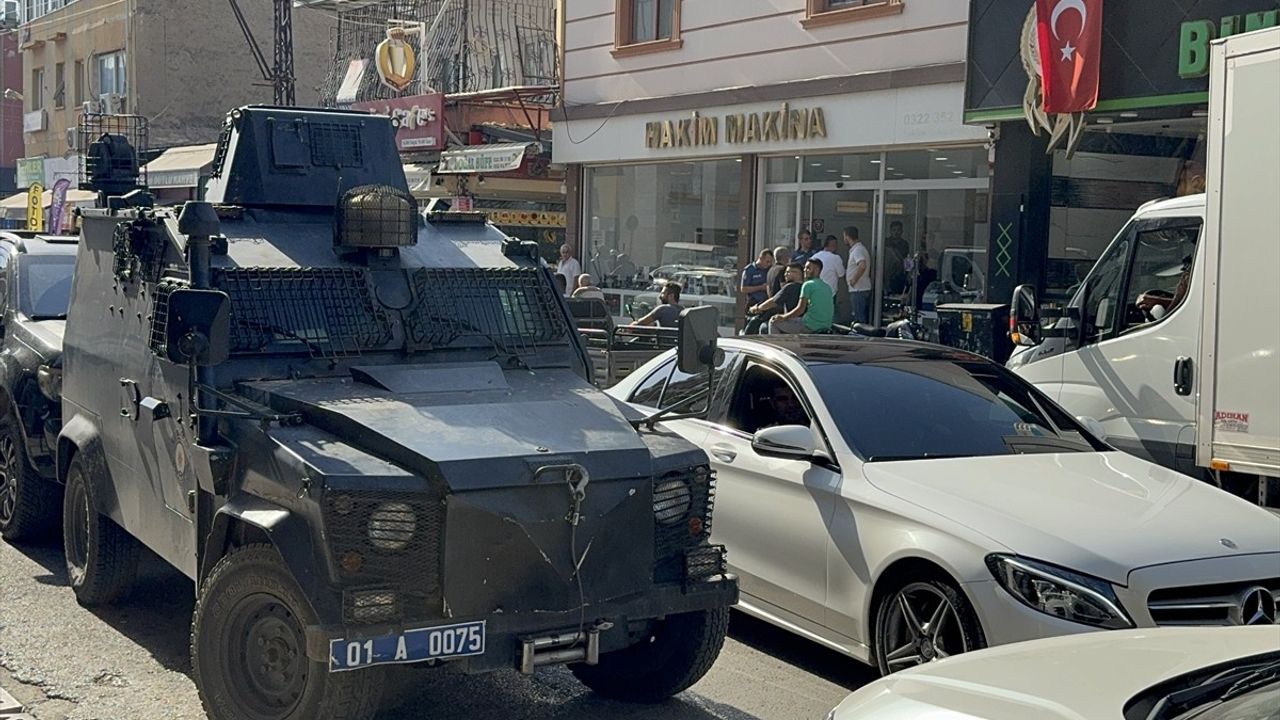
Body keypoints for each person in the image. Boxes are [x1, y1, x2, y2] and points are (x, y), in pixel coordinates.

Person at [768, 258, 834, 335]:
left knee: (773, 322)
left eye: (808, 268)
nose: (805, 270)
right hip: (826, 326)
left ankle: (779, 346)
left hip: (809, 326)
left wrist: (783, 317)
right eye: (805, 268)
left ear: (817, 270)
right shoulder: (827, 287)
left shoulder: (807, 285)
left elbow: (800, 309)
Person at [747, 262, 804, 334]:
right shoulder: (806, 286)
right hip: (804, 321)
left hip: (794, 321)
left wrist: (757, 308)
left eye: (792, 271)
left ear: (800, 274)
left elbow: (773, 301)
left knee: (769, 324)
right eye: (786, 272)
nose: (786, 274)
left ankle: (775, 344)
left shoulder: (791, 286)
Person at [844, 226, 872, 325]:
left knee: (859, 319)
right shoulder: (858, 249)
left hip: (858, 289)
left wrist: (854, 280)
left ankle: (860, 337)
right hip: (859, 289)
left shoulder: (857, 250)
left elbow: (862, 265)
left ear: (847, 236)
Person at [884, 221, 910, 297]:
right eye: (894, 230)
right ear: (890, 231)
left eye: (898, 230)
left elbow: (906, 259)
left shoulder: (904, 244)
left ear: (902, 231)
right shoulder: (885, 242)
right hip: (886, 272)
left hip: (899, 273)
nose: (896, 232)